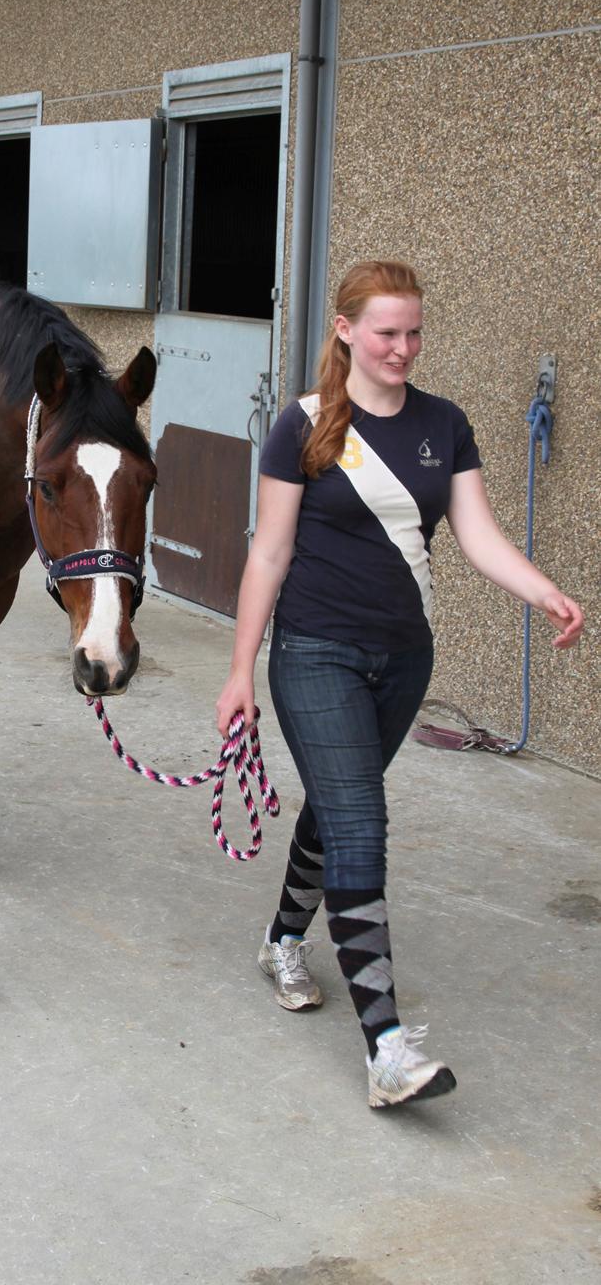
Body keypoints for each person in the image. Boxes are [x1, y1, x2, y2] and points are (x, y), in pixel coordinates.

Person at [216, 260, 583, 1109]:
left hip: (402, 658)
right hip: (313, 652)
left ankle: (281, 939)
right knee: (361, 822)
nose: (403, 348)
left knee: (336, 811)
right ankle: (385, 1046)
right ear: (344, 329)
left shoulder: (442, 425)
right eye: (386, 332)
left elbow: (477, 533)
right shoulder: (300, 428)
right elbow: (267, 553)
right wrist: (238, 670)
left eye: (413, 332)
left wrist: (541, 590)